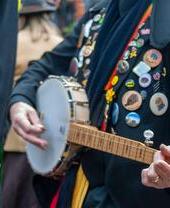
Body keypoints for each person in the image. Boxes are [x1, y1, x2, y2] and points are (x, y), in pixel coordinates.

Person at [9, 0, 170, 207]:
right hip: (79, 187)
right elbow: (48, 65)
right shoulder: (99, 12)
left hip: (139, 197)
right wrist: (20, 100)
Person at [2, 0, 63, 207]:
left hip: (16, 132)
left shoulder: (15, 40)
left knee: (12, 193)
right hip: (48, 135)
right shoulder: (58, 42)